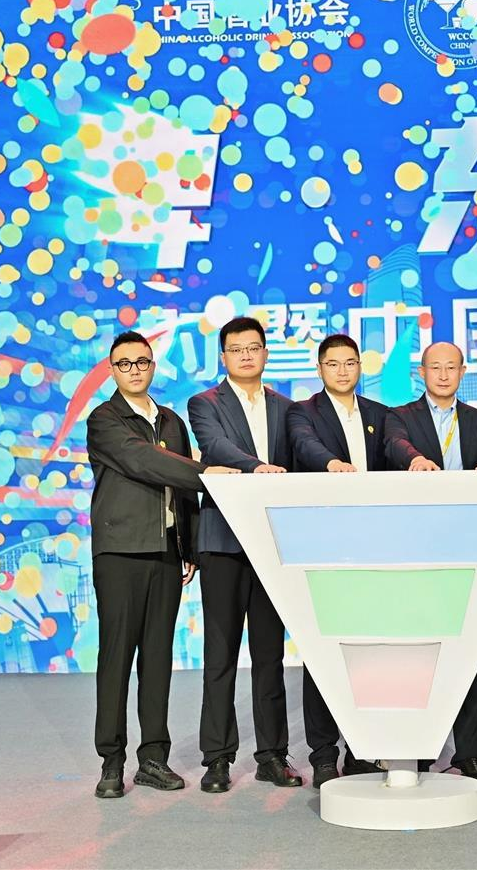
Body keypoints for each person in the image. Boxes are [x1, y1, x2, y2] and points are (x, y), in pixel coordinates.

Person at [86, 330, 238, 799]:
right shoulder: (104, 418)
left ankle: (153, 758)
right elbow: (143, 461)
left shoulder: (171, 420)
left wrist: (188, 546)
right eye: (124, 363)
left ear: (153, 366)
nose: (134, 370)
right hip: (120, 551)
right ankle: (112, 762)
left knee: (157, 658)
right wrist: (205, 472)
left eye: (141, 362)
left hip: (166, 554)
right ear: (112, 370)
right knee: (117, 657)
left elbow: (181, 491)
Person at [187, 316, 303, 793]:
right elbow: (214, 447)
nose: (246, 356)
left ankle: (272, 755)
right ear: (223, 357)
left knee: (270, 655)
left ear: (265, 353)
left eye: (254, 348)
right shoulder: (204, 404)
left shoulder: (287, 408)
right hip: (222, 541)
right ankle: (217, 758)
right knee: (220, 655)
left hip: (272, 543)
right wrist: (258, 468)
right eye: (237, 350)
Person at [381, 341, 477, 788]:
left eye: (452, 367)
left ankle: (469, 753)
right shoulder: (400, 417)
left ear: (463, 372)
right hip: (415, 549)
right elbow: (395, 446)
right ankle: (419, 749)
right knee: (418, 654)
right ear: (421, 372)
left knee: (469, 652)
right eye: (435, 367)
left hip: (467, 548)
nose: (444, 374)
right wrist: (415, 460)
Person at [286, 333, 390, 788]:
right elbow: (305, 446)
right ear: (320, 368)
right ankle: (324, 754)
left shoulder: (379, 415)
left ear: (359, 367)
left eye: (350, 362)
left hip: (373, 548)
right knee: (323, 652)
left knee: (367, 653)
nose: (343, 371)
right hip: (324, 546)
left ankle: (362, 749)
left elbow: (395, 452)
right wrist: (332, 464)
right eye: (333, 363)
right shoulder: (302, 412)